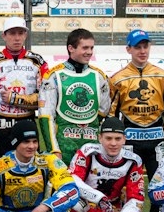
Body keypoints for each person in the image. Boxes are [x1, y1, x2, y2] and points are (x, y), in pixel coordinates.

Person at [0, 16, 49, 212]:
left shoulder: (37, 61)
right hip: (1, 125)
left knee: (33, 178)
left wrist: (16, 99)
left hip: (27, 122)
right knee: (1, 177)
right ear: (3, 35)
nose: (16, 37)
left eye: (20, 33)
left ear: (25, 35)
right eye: (11, 33)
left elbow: (45, 95)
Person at [109, 29, 164, 212]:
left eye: (145, 46)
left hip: (157, 142)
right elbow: (111, 115)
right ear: (128, 49)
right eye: (137, 47)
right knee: (124, 189)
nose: (142, 51)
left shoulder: (163, 76)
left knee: (161, 188)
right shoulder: (117, 80)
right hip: (130, 143)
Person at [39, 28, 111, 164]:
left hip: (92, 147)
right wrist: (54, 150)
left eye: (91, 48)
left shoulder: (99, 76)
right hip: (63, 146)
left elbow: (104, 112)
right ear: (71, 48)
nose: (89, 52)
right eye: (85, 48)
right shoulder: (53, 76)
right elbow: (46, 116)